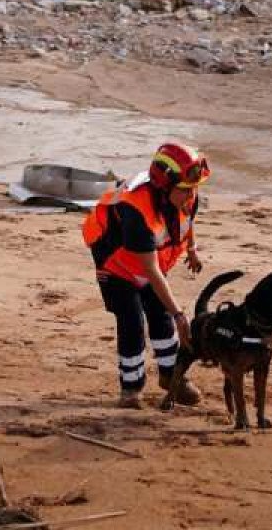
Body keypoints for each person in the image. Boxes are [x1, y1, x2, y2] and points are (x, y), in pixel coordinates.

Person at [82, 142, 209, 408]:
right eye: (185, 190)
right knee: (132, 321)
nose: (192, 196)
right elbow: (149, 270)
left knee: (160, 315)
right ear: (164, 186)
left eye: (194, 189)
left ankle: (171, 377)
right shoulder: (135, 211)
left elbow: (187, 221)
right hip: (116, 268)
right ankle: (131, 390)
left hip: (151, 264)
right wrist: (180, 315)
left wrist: (192, 249)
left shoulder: (186, 194)